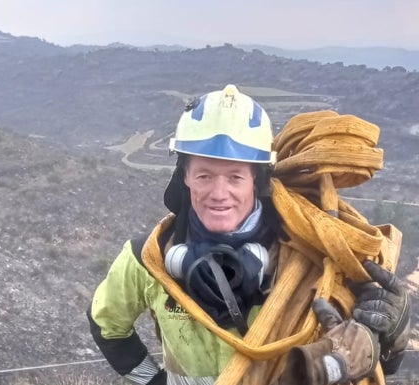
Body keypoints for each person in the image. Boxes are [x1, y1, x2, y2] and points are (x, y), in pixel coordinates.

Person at [87, 84, 410, 385]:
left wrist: (392, 333)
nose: (219, 192)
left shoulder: (315, 256)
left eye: (235, 177)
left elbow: (377, 362)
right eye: (204, 175)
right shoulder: (149, 258)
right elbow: (107, 326)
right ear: (184, 176)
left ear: (257, 180)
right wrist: (155, 381)